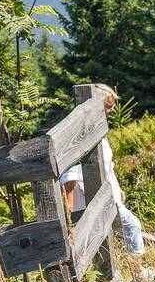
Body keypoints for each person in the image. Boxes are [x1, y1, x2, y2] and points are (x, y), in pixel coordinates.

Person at [58, 84, 144, 255]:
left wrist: (117, 187)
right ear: (96, 106)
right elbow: (70, 173)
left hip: (108, 195)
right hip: (91, 198)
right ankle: (136, 266)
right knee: (131, 226)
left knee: (110, 236)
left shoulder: (97, 130)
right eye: (108, 106)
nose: (112, 110)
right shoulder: (82, 133)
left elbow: (106, 165)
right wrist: (68, 208)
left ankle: (127, 266)